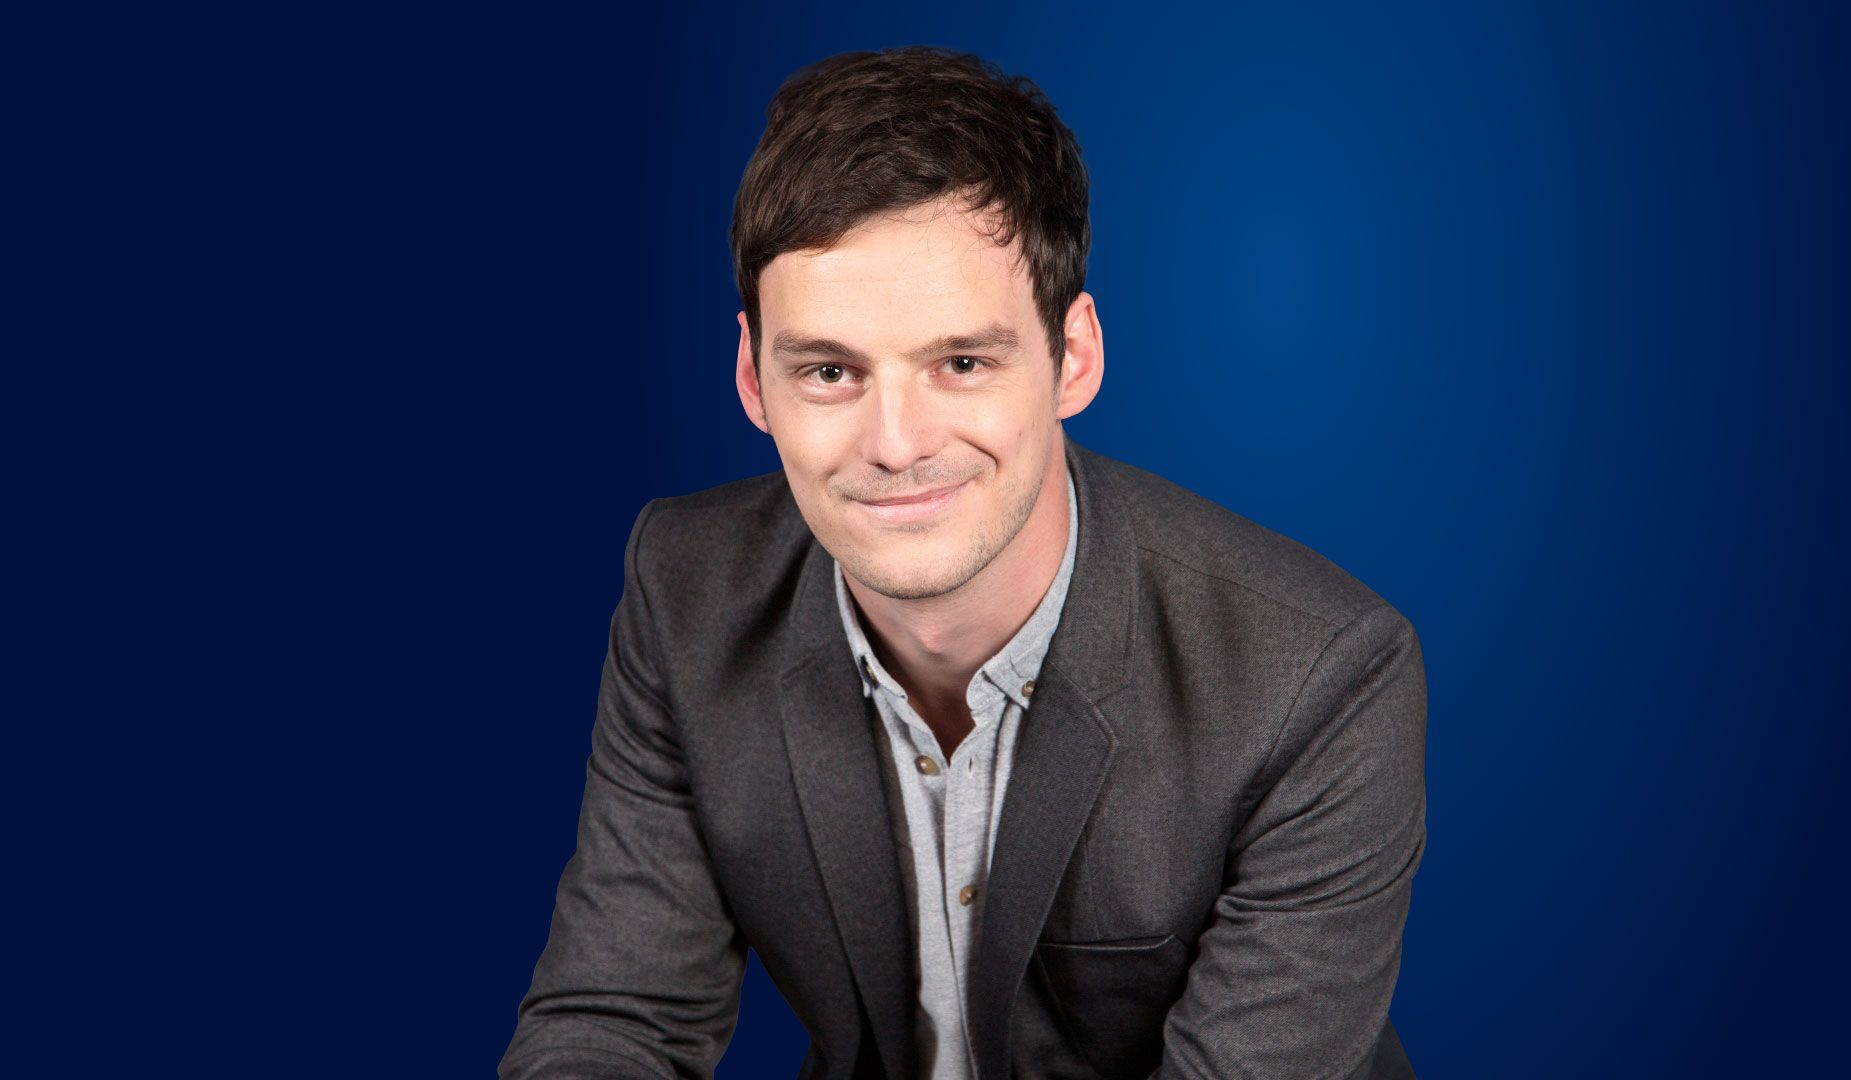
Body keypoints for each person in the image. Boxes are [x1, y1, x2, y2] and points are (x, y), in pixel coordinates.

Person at [500, 46, 1426, 1080]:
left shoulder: (1319, 676)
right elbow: (614, 1022)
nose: (895, 444)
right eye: (829, 371)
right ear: (753, 381)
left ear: (1074, 358)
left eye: (963, 362)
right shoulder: (686, 593)